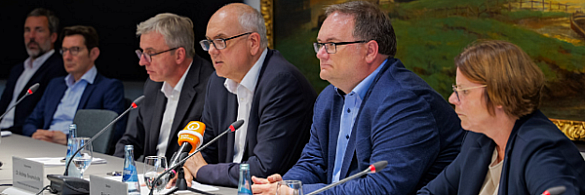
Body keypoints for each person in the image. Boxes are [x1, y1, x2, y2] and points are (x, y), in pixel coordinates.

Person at [252, 1, 464, 194]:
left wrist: (298, 192)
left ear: (370, 51)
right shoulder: (328, 97)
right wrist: (285, 186)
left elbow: (380, 188)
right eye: (320, 44)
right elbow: (313, 162)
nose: (320, 54)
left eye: (332, 45)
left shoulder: (405, 102)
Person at [173, 3, 317, 188]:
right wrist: (186, 170)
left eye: (221, 41)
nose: (211, 50)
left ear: (253, 43)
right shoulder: (218, 82)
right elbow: (206, 150)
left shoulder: (282, 83)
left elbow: (264, 169)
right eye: (209, 42)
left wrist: (201, 171)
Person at [417, 40, 585, 194]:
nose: (452, 99)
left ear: (498, 95)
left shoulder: (540, 148)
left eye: (464, 91)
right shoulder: (479, 139)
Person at [114, 13, 214, 161]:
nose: (142, 62)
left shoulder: (211, 87)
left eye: (150, 53)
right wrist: (117, 170)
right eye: (141, 53)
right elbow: (131, 141)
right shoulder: (153, 84)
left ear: (179, 55)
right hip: (149, 176)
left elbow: (208, 154)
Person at [23, 25, 125, 145]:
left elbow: (114, 131)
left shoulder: (109, 87)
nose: (67, 57)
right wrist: (36, 134)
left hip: (76, 152)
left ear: (93, 53)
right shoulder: (55, 85)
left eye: (75, 50)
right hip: (44, 145)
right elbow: (30, 122)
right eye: (64, 50)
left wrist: (69, 139)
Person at [0, 8, 67, 135]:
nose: (31, 36)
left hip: (19, 134)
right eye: (27, 30)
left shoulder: (59, 68)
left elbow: (41, 115)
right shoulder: (18, 69)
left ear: (53, 36)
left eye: (39, 30)